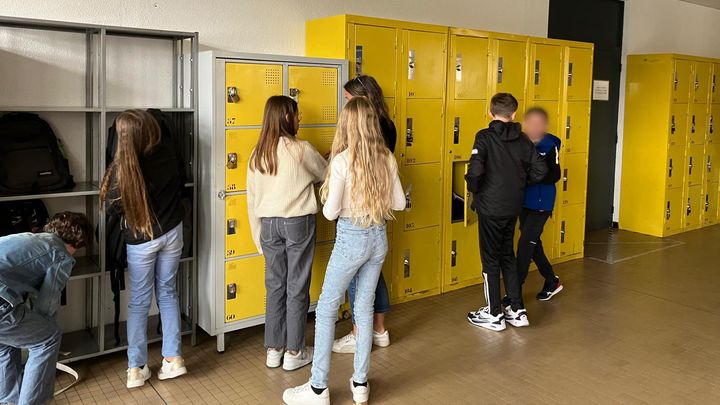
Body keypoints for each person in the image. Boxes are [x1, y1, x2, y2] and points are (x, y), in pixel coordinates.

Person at [282, 97, 406, 405]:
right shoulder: (386, 157)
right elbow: (400, 204)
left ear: (347, 125)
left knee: (325, 309)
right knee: (363, 309)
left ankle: (317, 389)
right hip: (378, 238)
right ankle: (360, 384)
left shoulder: (341, 162)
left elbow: (329, 212)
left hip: (351, 238)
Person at [100, 109, 187, 388]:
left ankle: (135, 369)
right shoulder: (168, 154)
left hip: (140, 242)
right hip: (172, 232)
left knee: (139, 300)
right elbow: (181, 185)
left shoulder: (121, 169)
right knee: (168, 292)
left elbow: (113, 208)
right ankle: (173, 360)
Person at [246, 95, 327, 371]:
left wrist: (258, 238)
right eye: (296, 114)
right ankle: (294, 351)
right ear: (286, 118)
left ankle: (274, 348)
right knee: (297, 286)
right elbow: (324, 174)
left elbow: (251, 198)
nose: (300, 118)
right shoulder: (301, 149)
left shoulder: (258, 153)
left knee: (275, 286)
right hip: (297, 222)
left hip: (268, 225)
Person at [465, 93, 547, 332]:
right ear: (513, 114)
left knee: (490, 259)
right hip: (513, 206)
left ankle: (494, 314)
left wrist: (477, 190)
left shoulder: (485, 137)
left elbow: (475, 173)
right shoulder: (523, 139)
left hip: (490, 208)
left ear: (490, 112)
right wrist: (519, 183)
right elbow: (540, 171)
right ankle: (516, 309)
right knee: (507, 256)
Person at [0, 212, 91, 405]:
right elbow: (46, 306)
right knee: (48, 337)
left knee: (5, 343)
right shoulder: (61, 254)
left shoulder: (27, 238)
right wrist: (44, 326)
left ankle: (8, 401)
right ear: (79, 241)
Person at [333, 75, 395, 354]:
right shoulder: (388, 125)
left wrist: (338, 163)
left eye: (348, 100)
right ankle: (379, 329)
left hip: (359, 212)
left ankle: (360, 333)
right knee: (374, 272)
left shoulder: (370, 128)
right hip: (379, 211)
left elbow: (362, 165)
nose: (345, 106)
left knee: (358, 279)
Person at [517, 107, 563, 301]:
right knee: (533, 244)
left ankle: (514, 294)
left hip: (542, 203)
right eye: (531, 123)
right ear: (525, 124)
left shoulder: (549, 145)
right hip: (523, 200)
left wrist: (536, 172)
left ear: (545, 126)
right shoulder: (521, 143)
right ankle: (552, 281)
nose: (534, 127)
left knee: (526, 244)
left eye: (539, 123)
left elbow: (555, 175)